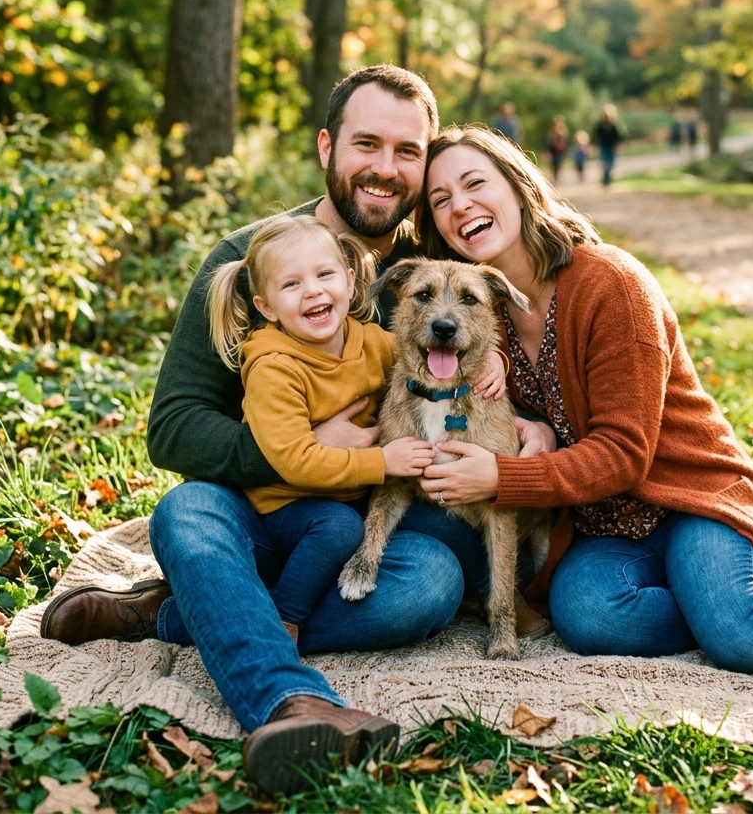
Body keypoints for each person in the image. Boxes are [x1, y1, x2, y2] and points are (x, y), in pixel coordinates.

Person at [39, 66, 556, 797]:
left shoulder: (426, 269)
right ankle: (291, 702)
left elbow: (475, 333)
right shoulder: (255, 258)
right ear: (326, 146)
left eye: (407, 151)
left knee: (433, 585)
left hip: (371, 525)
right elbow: (174, 428)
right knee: (184, 512)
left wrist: (498, 371)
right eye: (366, 144)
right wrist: (314, 446)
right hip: (266, 506)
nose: (385, 168)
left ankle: (183, 612)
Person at [413, 125, 753, 675]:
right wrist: (528, 421)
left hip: (691, 499)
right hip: (605, 525)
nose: (460, 206)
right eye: (440, 199)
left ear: (517, 186)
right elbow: (533, 406)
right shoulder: (473, 316)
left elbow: (623, 452)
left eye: (474, 183)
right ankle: (749, 600)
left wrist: (502, 478)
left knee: (743, 637)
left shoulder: (611, 284)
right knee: (587, 615)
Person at [206, 213, 505, 643]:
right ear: (265, 307)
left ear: (349, 282)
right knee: (340, 528)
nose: (312, 290)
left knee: (430, 565)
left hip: (349, 500)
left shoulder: (370, 342)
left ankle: (236, 608)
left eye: (324, 275)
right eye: (291, 285)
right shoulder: (272, 367)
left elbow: (427, 348)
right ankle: (282, 619)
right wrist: (380, 462)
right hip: (287, 508)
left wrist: (495, 359)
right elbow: (295, 461)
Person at [592, 104, 621, 187]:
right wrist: (596, 145)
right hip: (603, 147)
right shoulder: (600, 125)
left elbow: (617, 136)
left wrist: (617, 145)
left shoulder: (614, 125)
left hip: (611, 147)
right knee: (604, 163)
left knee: (611, 164)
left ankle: (608, 179)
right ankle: (605, 180)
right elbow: (597, 136)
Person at [546, 115, 569, 181]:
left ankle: (556, 175)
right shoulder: (552, 132)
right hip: (553, 150)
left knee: (558, 163)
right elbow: (548, 142)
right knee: (553, 163)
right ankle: (555, 175)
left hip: (560, 151)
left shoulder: (564, 132)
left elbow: (567, 142)